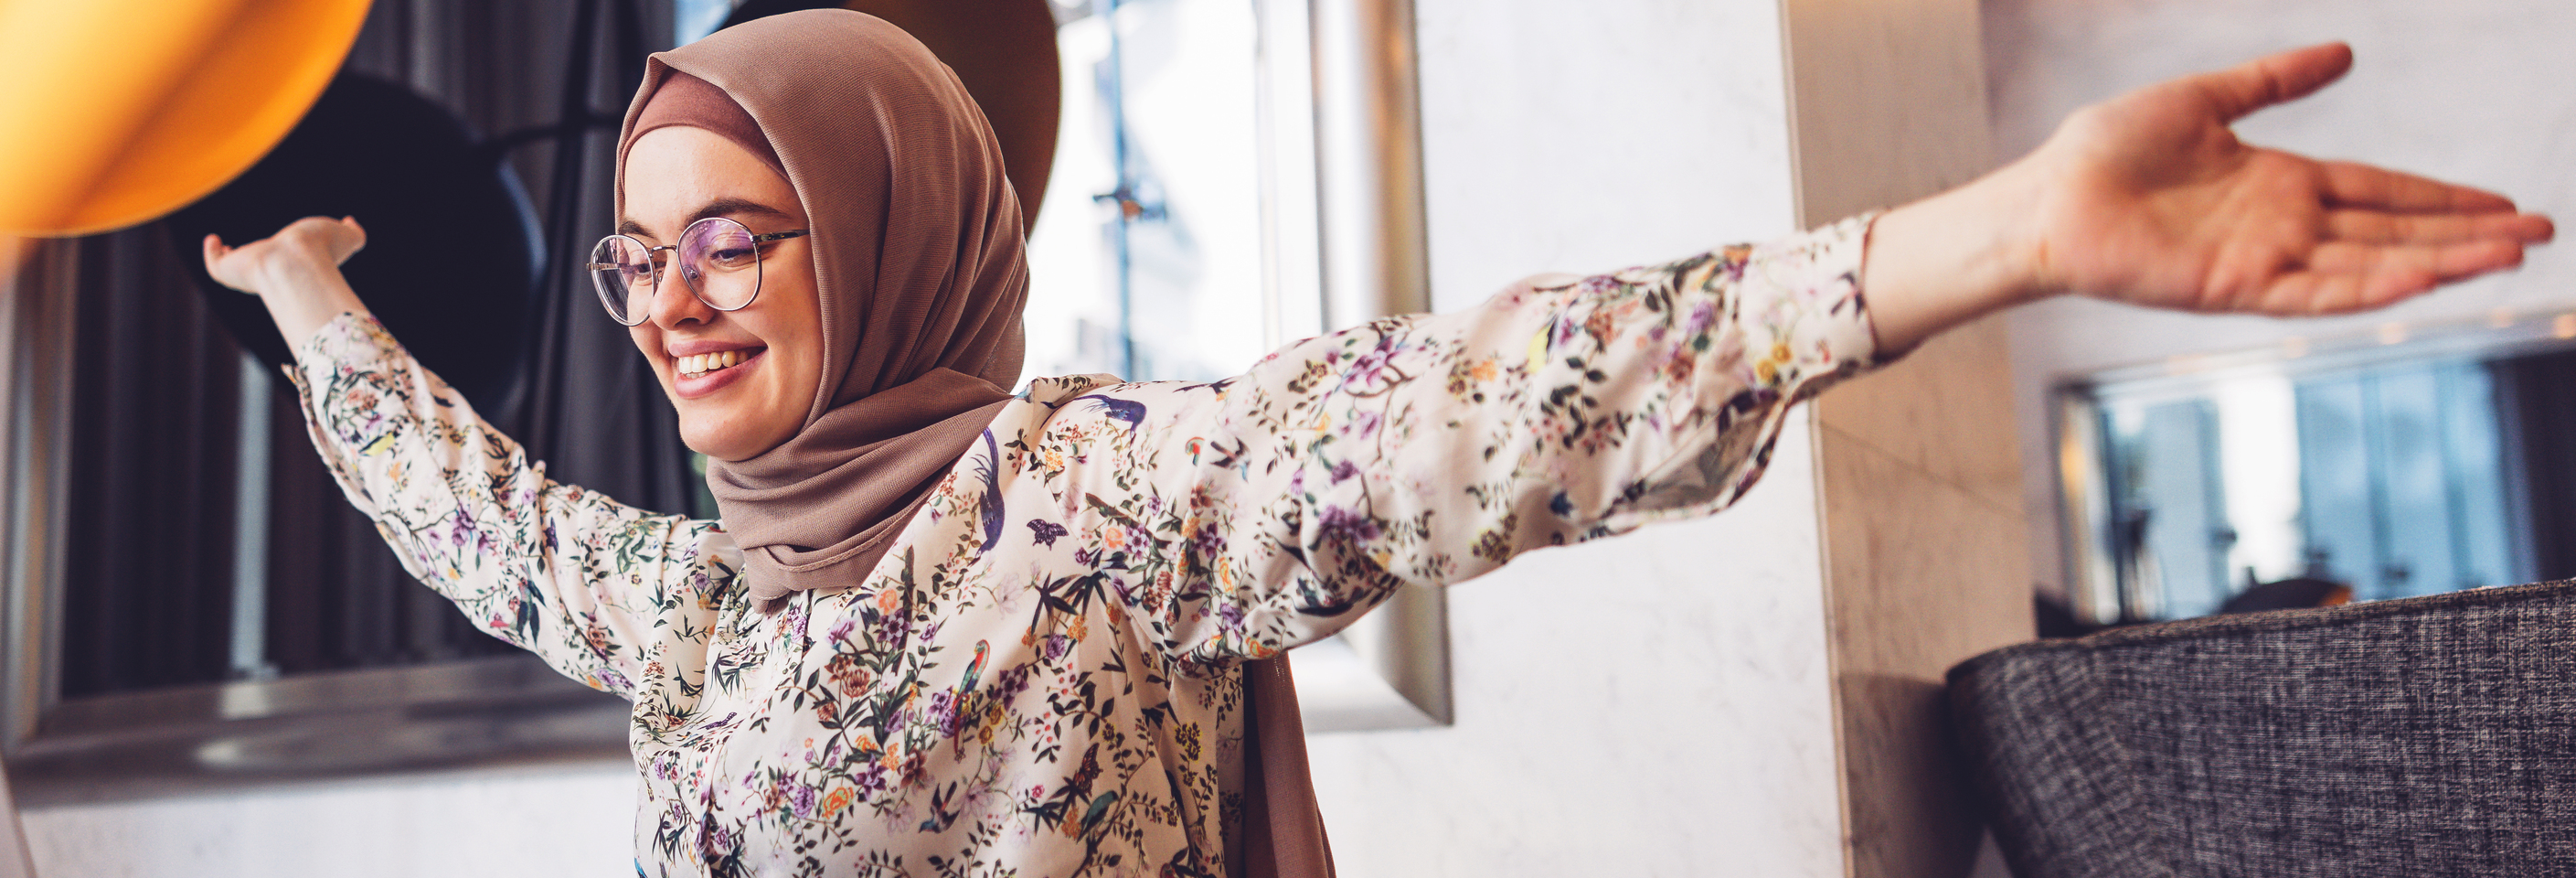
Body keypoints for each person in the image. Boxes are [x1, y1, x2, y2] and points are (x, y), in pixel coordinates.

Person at [199, 11, 2549, 876]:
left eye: (735, 239)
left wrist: (1994, 236)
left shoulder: (1085, 503)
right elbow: (480, 524)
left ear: (892, 237)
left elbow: (1486, 414)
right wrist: (314, 301)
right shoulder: (712, 607)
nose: (671, 307)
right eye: (637, 260)